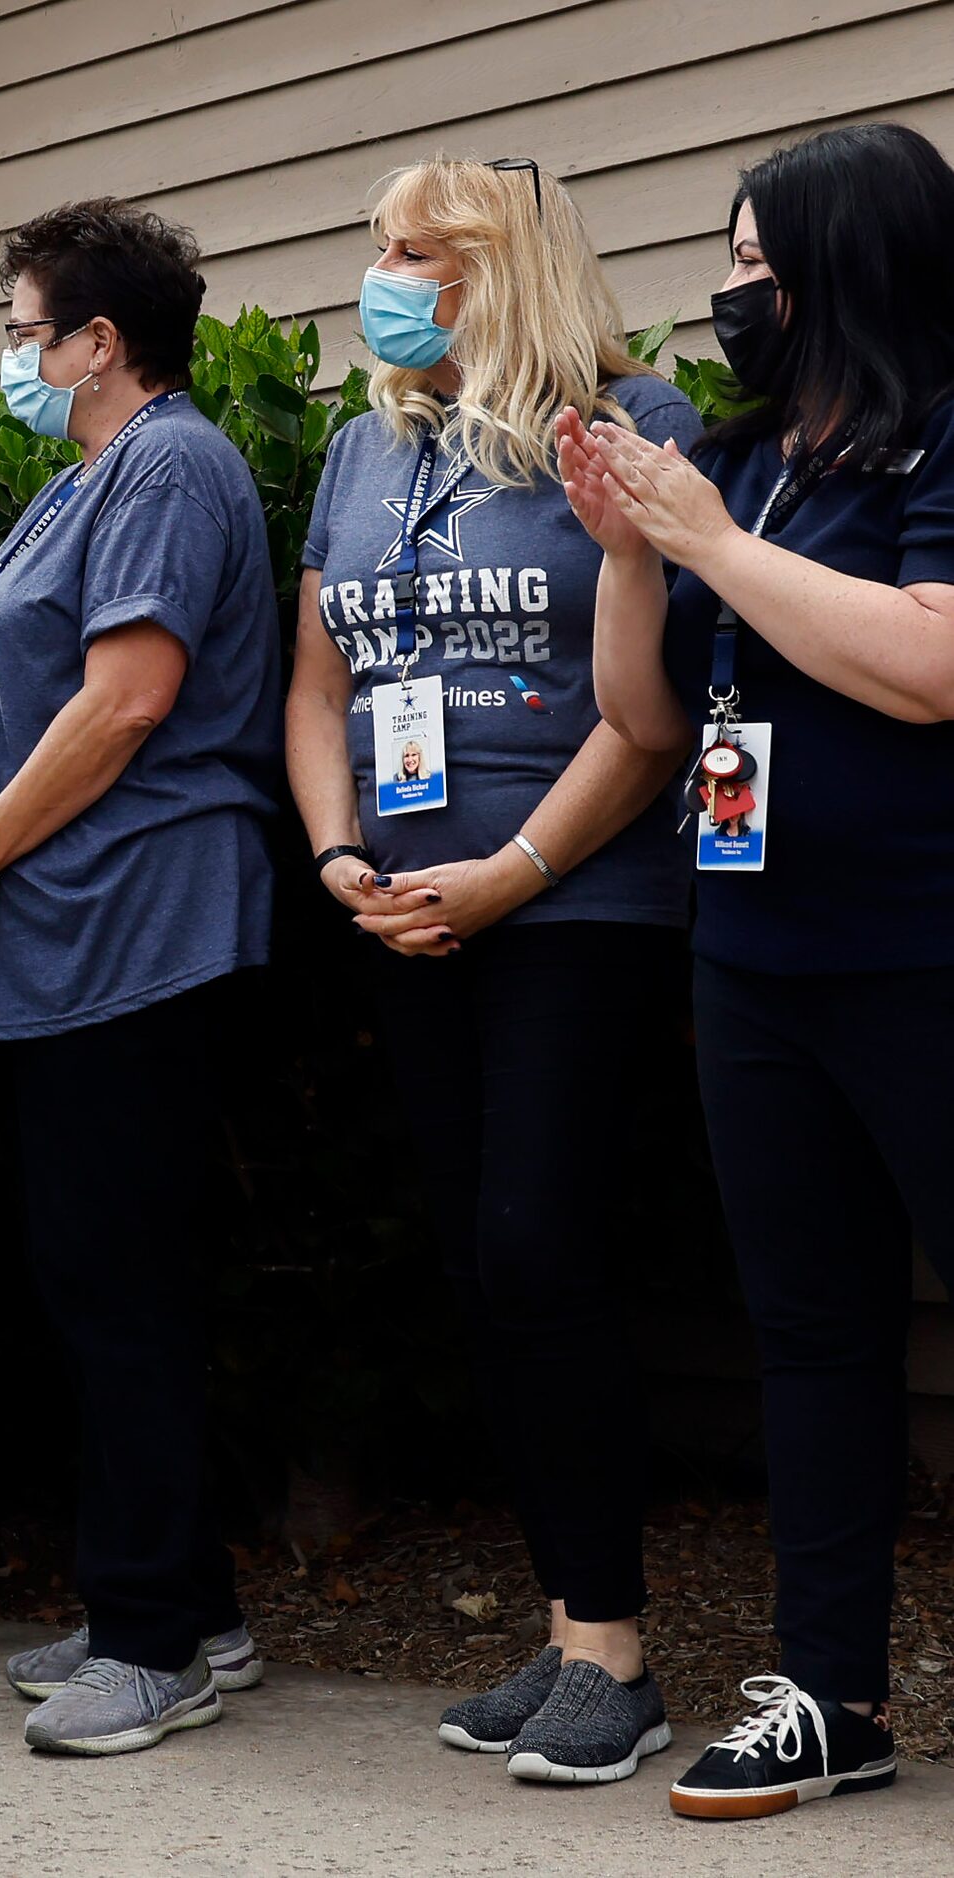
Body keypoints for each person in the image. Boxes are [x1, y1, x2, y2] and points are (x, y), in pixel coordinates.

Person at [287, 157, 701, 1786]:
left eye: (415, 250)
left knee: (541, 1245)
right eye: (377, 244)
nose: (381, 273)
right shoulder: (359, 448)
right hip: (405, 905)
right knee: (482, 1264)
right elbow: (319, 686)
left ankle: (618, 1647)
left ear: (497, 268)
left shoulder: (629, 416)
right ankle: (565, 1622)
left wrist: (515, 871)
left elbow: (649, 708)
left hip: (576, 905)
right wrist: (339, 860)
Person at [571, 121, 954, 1823]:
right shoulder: (764, 460)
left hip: (923, 948)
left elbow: (936, 665)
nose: (732, 297)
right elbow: (654, 725)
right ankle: (832, 1689)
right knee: (812, 1328)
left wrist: (713, 543)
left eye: (754, 264)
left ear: (848, 262)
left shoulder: (938, 426)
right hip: (759, 951)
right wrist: (634, 549)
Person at [0, 199, 278, 1755]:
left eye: (23, 333)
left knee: (120, 1291)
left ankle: (151, 1641)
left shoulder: (170, 462)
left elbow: (125, 701)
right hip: (52, 947)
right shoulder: (86, 482)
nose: (10, 362)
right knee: (92, 1280)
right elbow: (1, 697)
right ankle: (194, 1603)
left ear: (97, 343)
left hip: (137, 934)